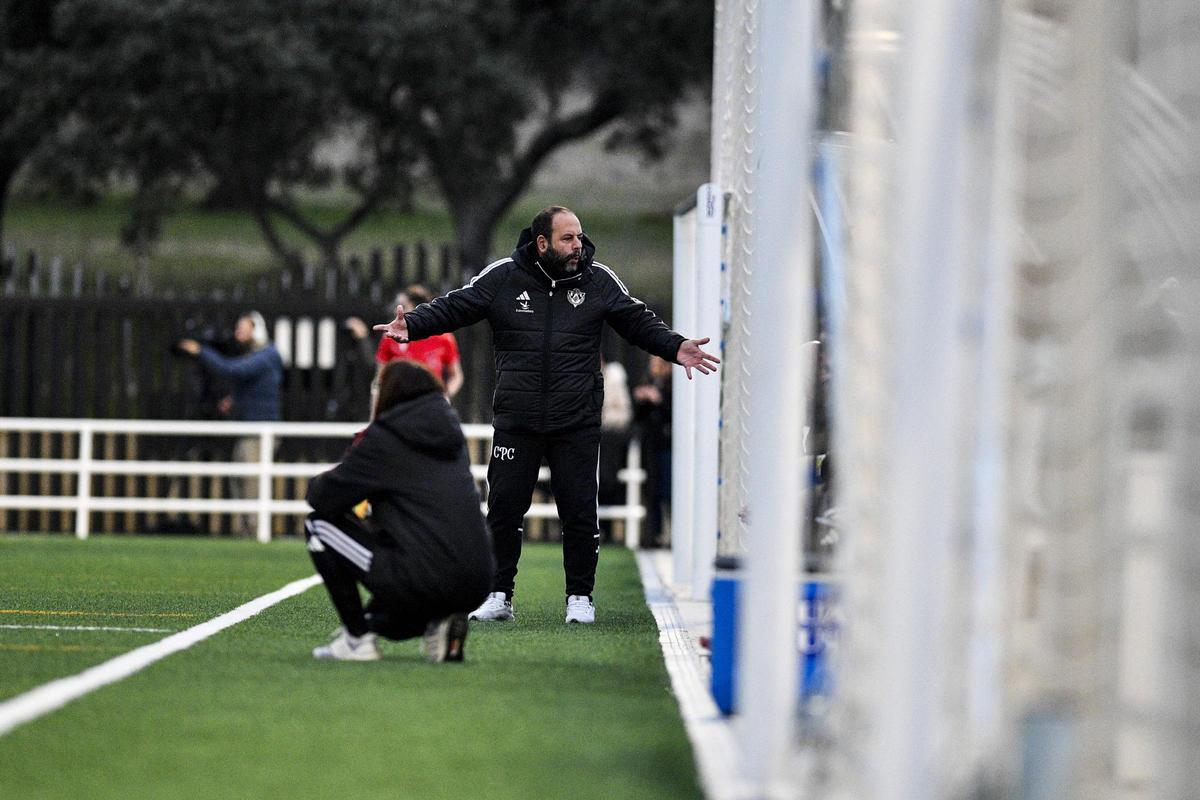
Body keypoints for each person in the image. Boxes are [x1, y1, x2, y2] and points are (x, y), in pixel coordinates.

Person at [373, 206, 719, 625]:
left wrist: (675, 346)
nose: (578, 246)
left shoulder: (598, 280)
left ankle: (580, 598)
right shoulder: (504, 277)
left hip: (576, 420)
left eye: (579, 237)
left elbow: (638, 321)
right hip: (517, 420)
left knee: (579, 511)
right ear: (542, 243)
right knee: (504, 508)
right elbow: (457, 306)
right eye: (567, 239)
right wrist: (413, 325)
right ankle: (498, 595)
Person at [304, 360, 494, 662]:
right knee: (380, 618)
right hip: (478, 580)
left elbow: (322, 497)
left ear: (390, 393)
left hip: (425, 576)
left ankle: (357, 641)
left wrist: (344, 469)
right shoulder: (451, 434)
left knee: (318, 526)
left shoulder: (387, 437)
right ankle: (440, 622)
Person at [178, 311, 284, 535]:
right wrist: (235, 399)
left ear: (256, 330)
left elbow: (232, 370)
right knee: (240, 478)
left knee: (251, 480)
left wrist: (201, 351)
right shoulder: (256, 355)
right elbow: (256, 384)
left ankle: (255, 531)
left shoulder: (267, 355)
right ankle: (248, 530)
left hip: (259, 431)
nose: (238, 333)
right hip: (250, 429)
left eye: (243, 328)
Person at [633, 355, 673, 546]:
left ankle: (670, 532)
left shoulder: (672, 386)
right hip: (651, 445)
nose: (654, 367)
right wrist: (641, 399)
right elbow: (637, 417)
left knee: (667, 491)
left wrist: (658, 399)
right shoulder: (647, 382)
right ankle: (653, 534)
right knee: (652, 490)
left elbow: (671, 413)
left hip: (667, 444)